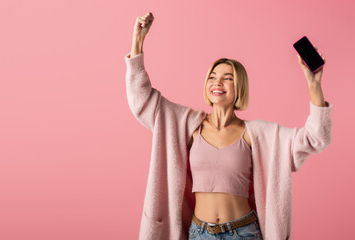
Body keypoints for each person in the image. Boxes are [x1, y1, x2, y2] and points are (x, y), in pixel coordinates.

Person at [125, 11, 332, 240]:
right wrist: (138, 41)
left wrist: (315, 88)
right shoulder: (187, 125)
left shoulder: (257, 134)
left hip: (243, 233)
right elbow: (141, 100)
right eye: (212, 77)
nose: (218, 82)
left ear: (239, 86)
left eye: (228, 77)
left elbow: (316, 138)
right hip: (199, 233)